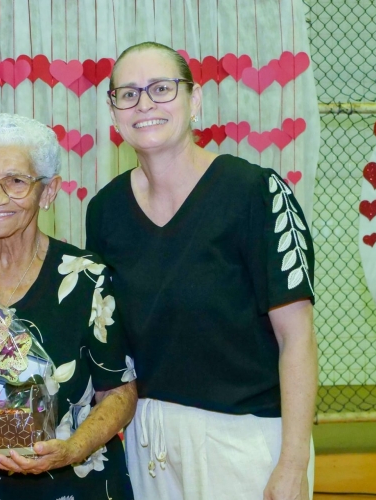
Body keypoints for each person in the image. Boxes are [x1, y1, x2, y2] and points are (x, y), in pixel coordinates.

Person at [86, 42, 318, 500]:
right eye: (128, 94)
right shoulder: (105, 211)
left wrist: (293, 462)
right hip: (149, 441)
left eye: (161, 88)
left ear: (194, 101)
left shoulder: (255, 192)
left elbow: (297, 338)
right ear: (113, 113)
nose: (144, 104)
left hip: (247, 439)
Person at [0, 113, 137, 500]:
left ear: (49, 191)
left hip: (70, 483)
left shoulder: (86, 278)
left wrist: (71, 449)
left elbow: (120, 394)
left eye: (16, 182)